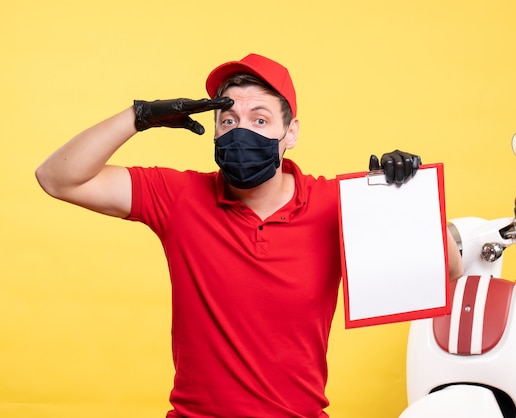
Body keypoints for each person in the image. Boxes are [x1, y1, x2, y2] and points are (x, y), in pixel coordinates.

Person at [36, 53, 463, 418]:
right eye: (229, 120)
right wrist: (140, 117)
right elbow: (57, 178)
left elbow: (449, 268)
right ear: (217, 131)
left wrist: (400, 198)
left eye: (260, 119)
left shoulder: (336, 202)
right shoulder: (178, 197)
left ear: (290, 132)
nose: (242, 132)